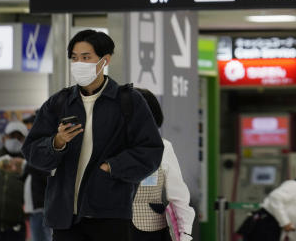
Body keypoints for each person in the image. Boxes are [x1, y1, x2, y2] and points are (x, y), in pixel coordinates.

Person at [22, 30, 164, 241]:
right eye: (74, 58)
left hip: (110, 214)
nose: (79, 63)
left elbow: (151, 151)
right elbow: (32, 152)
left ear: (104, 60)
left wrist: (112, 167)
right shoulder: (58, 103)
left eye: (86, 57)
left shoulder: (128, 101)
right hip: (65, 216)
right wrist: (56, 142)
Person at [130, 88, 194, 241]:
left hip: (150, 228)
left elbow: (178, 195)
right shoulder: (108, 147)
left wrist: (185, 233)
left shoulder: (163, 148)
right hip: (112, 227)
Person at [238, 171, 296, 241]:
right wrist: (285, 222)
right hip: (265, 225)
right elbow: (275, 198)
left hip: (273, 229)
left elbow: (294, 229)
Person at [22, 114, 52, 241]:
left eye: (31, 126)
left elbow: (48, 171)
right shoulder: (33, 146)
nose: (29, 130)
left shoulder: (48, 143)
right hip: (35, 209)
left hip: (45, 208)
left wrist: (24, 165)